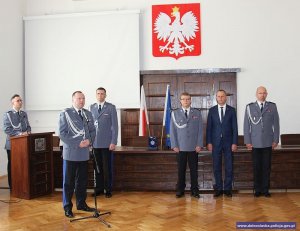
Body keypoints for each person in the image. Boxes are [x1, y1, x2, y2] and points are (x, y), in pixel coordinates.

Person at [58, 91, 96, 218]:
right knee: (68, 182)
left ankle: (81, 203)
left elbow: (92, 130)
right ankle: (67, 207)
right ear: (73, 100)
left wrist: (89, 141)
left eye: (83, 98)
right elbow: (62, 134)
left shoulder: (87, 113)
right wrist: (77, 143)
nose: (82, 100)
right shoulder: (65, 113)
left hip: (84, 153)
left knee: (82, 181)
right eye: (79, 98)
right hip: (71, 153)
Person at [243, 86, 280, 198]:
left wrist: (276, 140)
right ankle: (257, 189)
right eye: (260, 93)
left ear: (267, 94)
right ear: (256, 94)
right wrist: (247, 141)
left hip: (268, 142)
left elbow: (276, 124)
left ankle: (265, 190)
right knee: (257, 167)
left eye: (264, 93)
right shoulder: (250, 107)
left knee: (266, 167)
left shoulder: (272, 106)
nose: (262, 95)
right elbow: (246, 126)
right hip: (255, 143)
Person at [170, 92, 203, 198]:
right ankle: (180, 189)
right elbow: (172, 131)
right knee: (181, 170)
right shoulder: (175, 114)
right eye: (183, 99)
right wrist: (174, 145)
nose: (186, 101)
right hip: (180, 147)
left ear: (190, 100)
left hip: (194, 147)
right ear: (180, 101)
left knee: (194, 170)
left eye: (188, 99)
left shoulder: (197, 113)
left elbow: (200, 130)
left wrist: (199, 144)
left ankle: (194, 190)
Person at [206, 90, 238, 197]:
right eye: (218, 96)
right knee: (216, 166)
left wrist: (234, 142)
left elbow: (235, 128)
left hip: (229, 143)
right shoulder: (212, 110)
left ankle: (228, 189)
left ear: (226, 97)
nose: (220, 98)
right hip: (215, 143)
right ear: (216, 98)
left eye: (222, 96)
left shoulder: (232, 110)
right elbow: (209, 128)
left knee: (229, 166)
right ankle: (219, 189)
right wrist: (209, 142)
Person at [89, 87, 118, 198]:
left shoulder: (110, 107)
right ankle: (99, 189)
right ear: (96, 95)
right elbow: (90, 126)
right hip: (95, 143)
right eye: (98, 94)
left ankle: (108, 189)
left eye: (102, 94)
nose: (100, 95)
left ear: (105, 95)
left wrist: (113, 141)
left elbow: (115, 126)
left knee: (107, 168)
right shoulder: (91, 107)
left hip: (107, 144)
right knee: (97, 168)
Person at [3, 94, 31, 190]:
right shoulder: (8, 114)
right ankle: (12, 186)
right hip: (12, 145)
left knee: (23, 165)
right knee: (13, 165)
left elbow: (28, 126)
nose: (20, 102)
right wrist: (20, 134)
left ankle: (22, 185)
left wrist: (28, 132)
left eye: (21, 100)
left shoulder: (23, 114)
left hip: (23, 145)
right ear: (13, 103)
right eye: (18, 101)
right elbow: (7, 129)